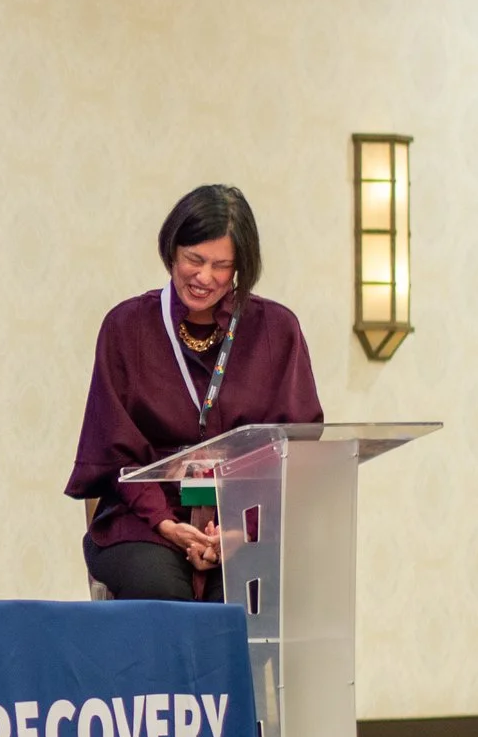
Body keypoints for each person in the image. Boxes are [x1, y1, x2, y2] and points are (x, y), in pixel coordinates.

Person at [66, 186, 323, 602]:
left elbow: (295, 449)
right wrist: (169, 525)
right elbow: (117, 452)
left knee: (246, 594)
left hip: (248, 522)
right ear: (172, 250)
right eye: (194, 260)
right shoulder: (126, 328)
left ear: (242, 267)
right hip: (146, 522)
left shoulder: (277, 331)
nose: (204, 277)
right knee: (162, 591)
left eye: (221, 265)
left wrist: (242, 529)